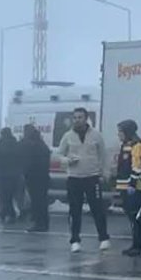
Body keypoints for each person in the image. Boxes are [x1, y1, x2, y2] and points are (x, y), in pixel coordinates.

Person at [54, 107, 112, 253]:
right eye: (74, 118)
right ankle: (75, 240)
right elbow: (58, 154)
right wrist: (67, 160)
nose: (77, 120)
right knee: (74, 210)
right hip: (74, 177)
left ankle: (104, 238)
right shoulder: (67, 136)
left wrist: (105, 172)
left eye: (80, 117)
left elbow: (104, 154)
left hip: (92, 177)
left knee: (97, 209)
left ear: (86, 119)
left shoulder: (96, 135)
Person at [115, 120, 141, 257]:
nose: (118, 135)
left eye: (120, 132)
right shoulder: (127, 144)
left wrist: (132, 185)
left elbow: (138, 166)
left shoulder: (137, 145)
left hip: (134, 187)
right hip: (125, 186)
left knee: (137, 218)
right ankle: (136, 245)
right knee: (132, 218)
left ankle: (138, 246)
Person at [20, 124, 51, 233]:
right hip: (41, 177)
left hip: (35, 177)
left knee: (38, 201)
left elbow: (29, 161)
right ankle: (42, 222)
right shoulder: (40, 143)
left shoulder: (33, 145)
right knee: (41, 201)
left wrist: (25, 172)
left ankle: (40, 223)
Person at [0, 129, 24, 224]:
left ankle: (7, 213)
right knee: (12, 195)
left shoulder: (0, 145)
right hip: (16, 175)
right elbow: (23, 158)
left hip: (4, 175)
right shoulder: (16, 144)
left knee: (4, 195)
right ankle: (7, 212)